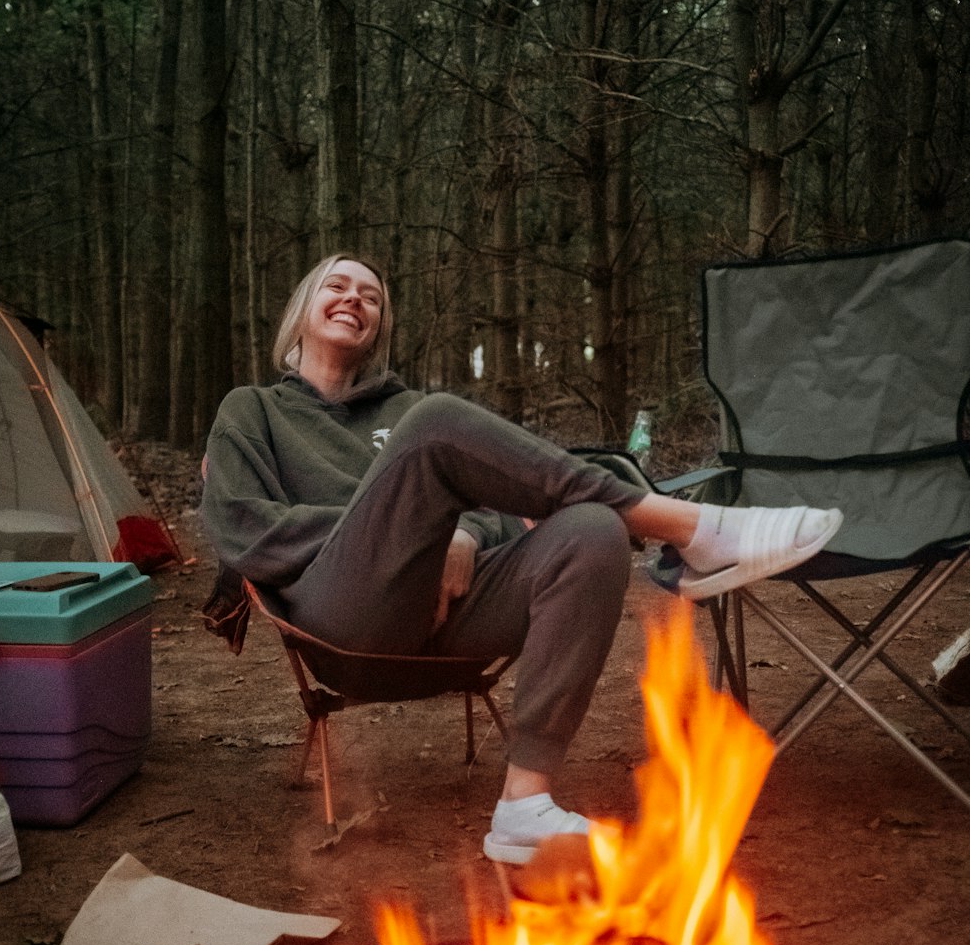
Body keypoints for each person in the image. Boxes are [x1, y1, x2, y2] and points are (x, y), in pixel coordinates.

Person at [201, 255, 843, 865]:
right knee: (436, 424)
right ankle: (687, 525)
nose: (354, 300)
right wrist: (404, 526)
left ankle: (525, 803)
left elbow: (495, 509)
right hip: (341, 622)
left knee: (592, 530)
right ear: (300, 310)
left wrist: (463, 536)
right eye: (337, 286)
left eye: (371, 296)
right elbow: (243, 528)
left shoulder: (399, 410)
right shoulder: (253, 410)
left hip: (447, 617)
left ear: (379, 327)